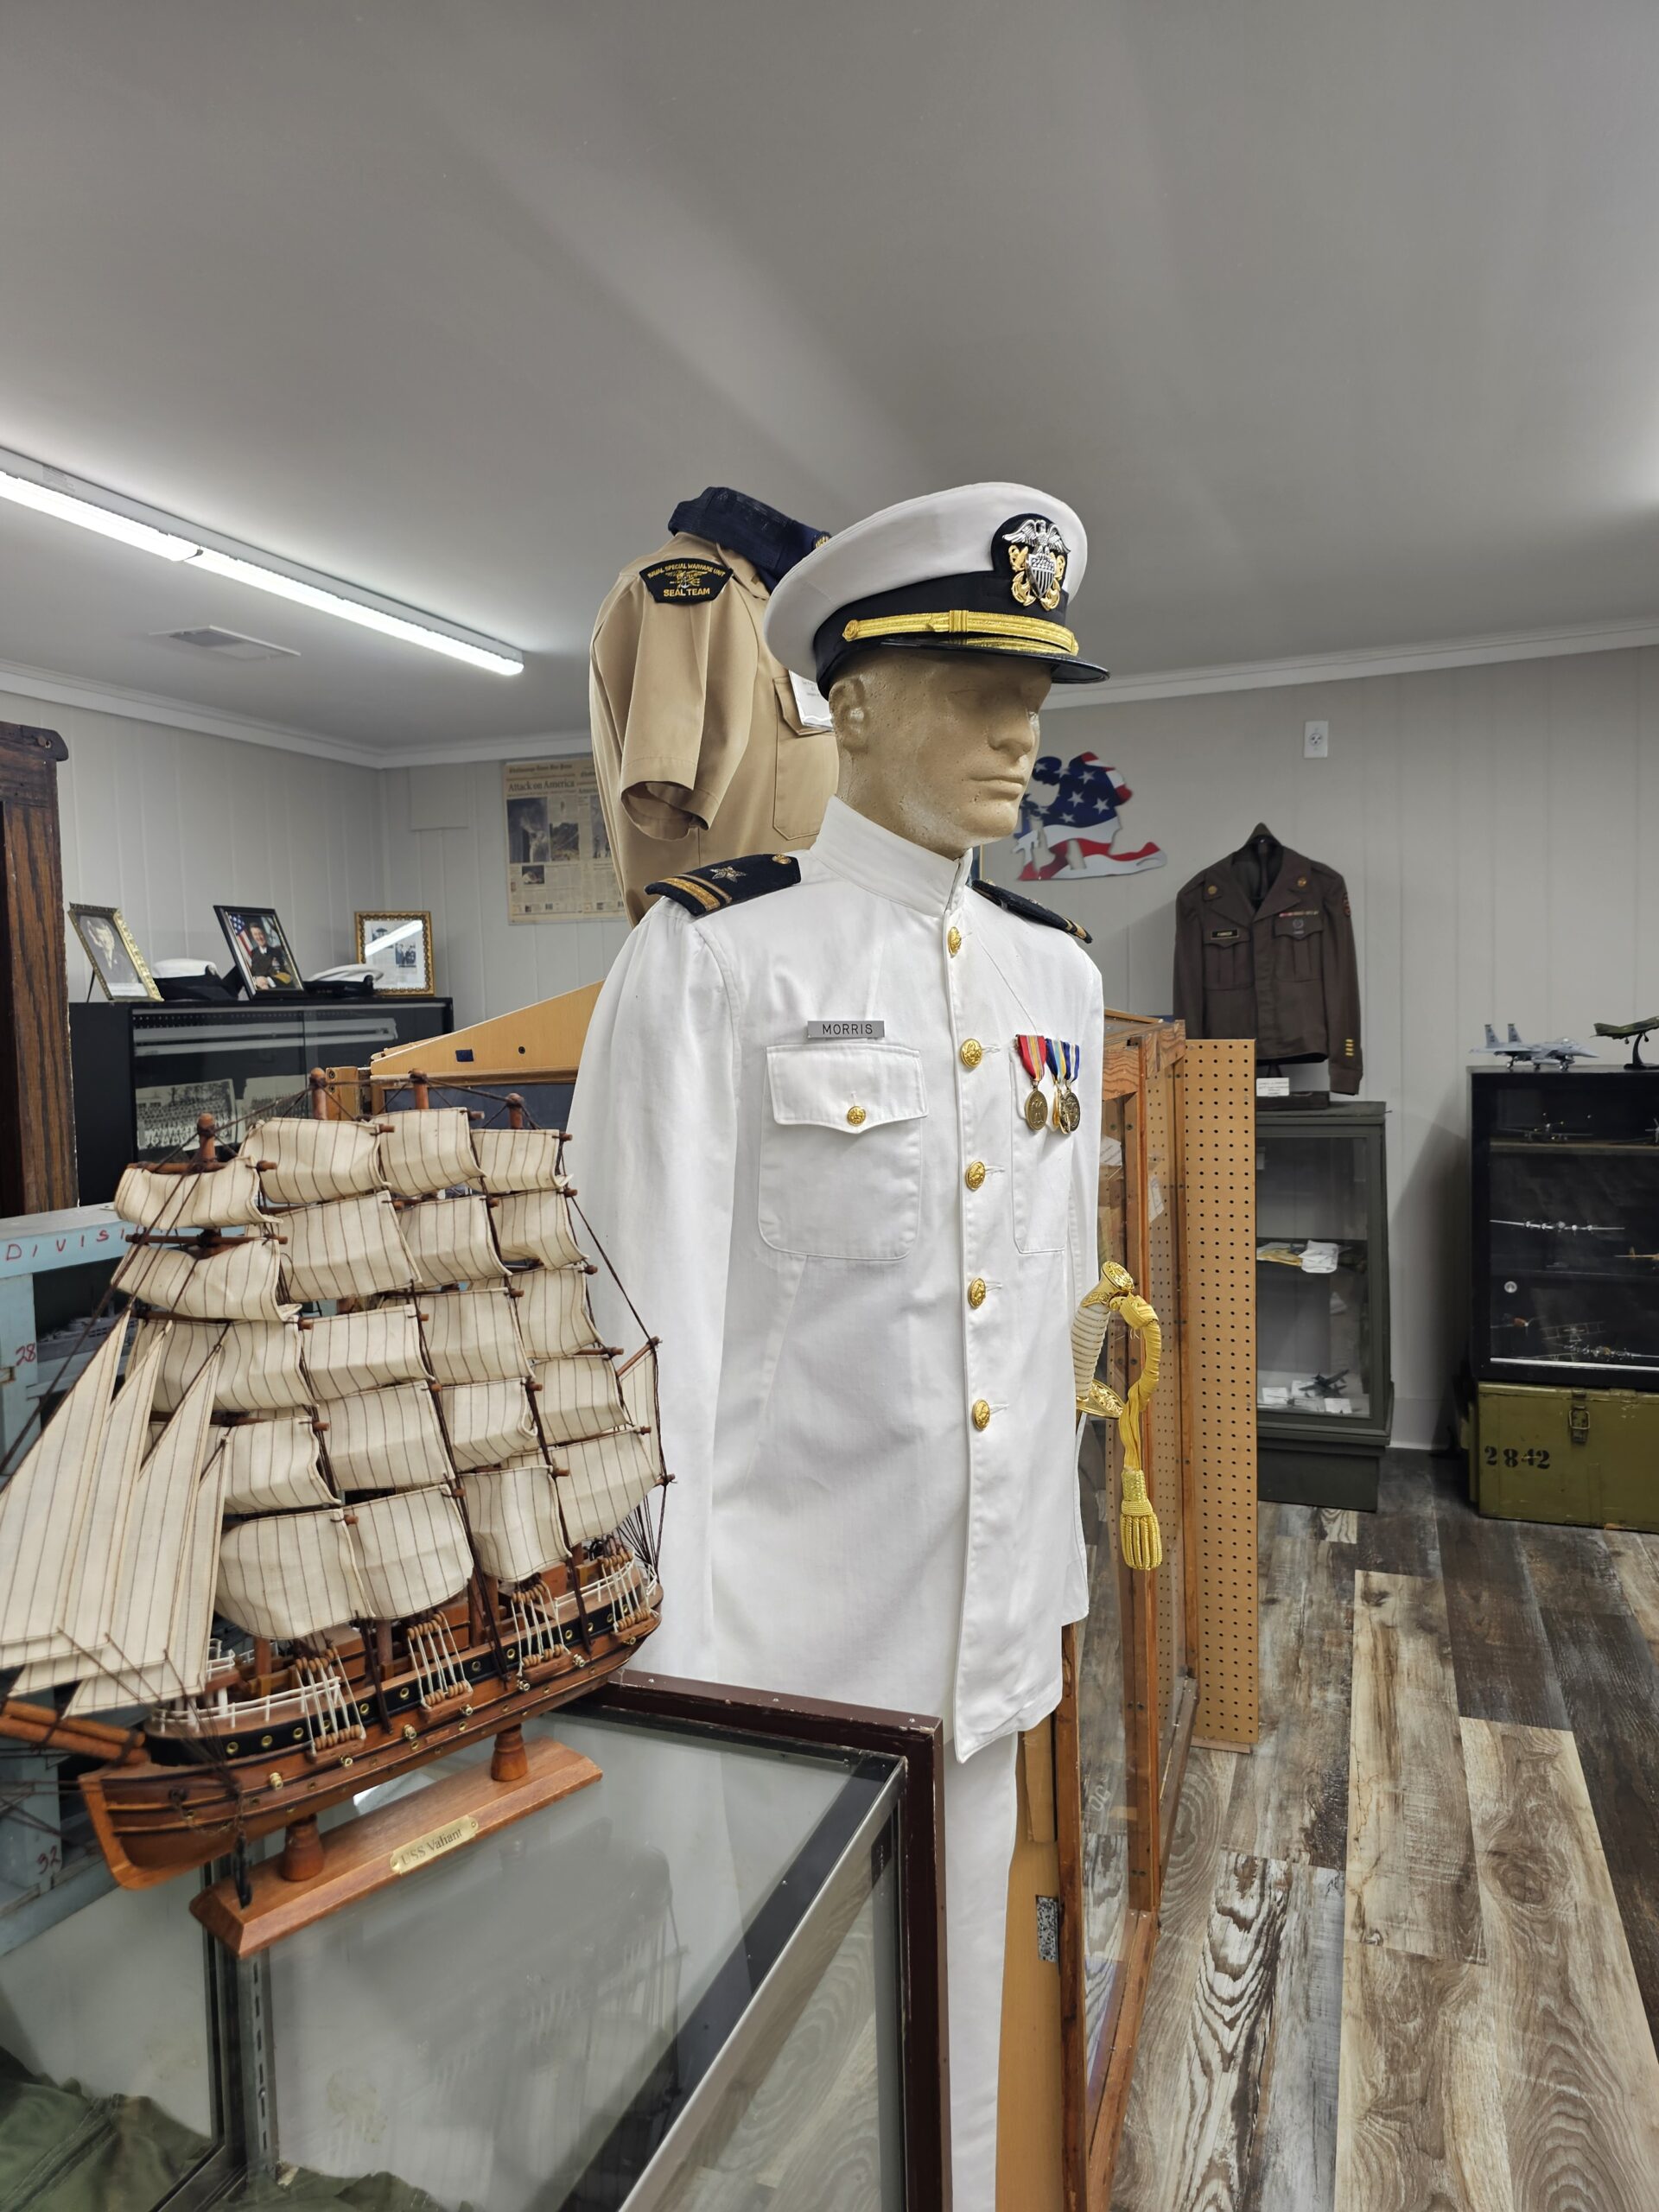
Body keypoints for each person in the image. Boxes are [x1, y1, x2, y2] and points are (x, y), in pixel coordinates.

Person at [570, 484, 1106, 2210]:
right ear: (855, 698)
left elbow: (1055, 1317)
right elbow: (625, 1350)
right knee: (766, 2087)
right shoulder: (715, 958)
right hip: (783, 1653)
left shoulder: (1058, 981)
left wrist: (1047, 1595)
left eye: (1035, 685)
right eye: (972, 676)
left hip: (988, 1637)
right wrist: (673, 1672)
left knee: (951, 2068)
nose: (1021, 725)